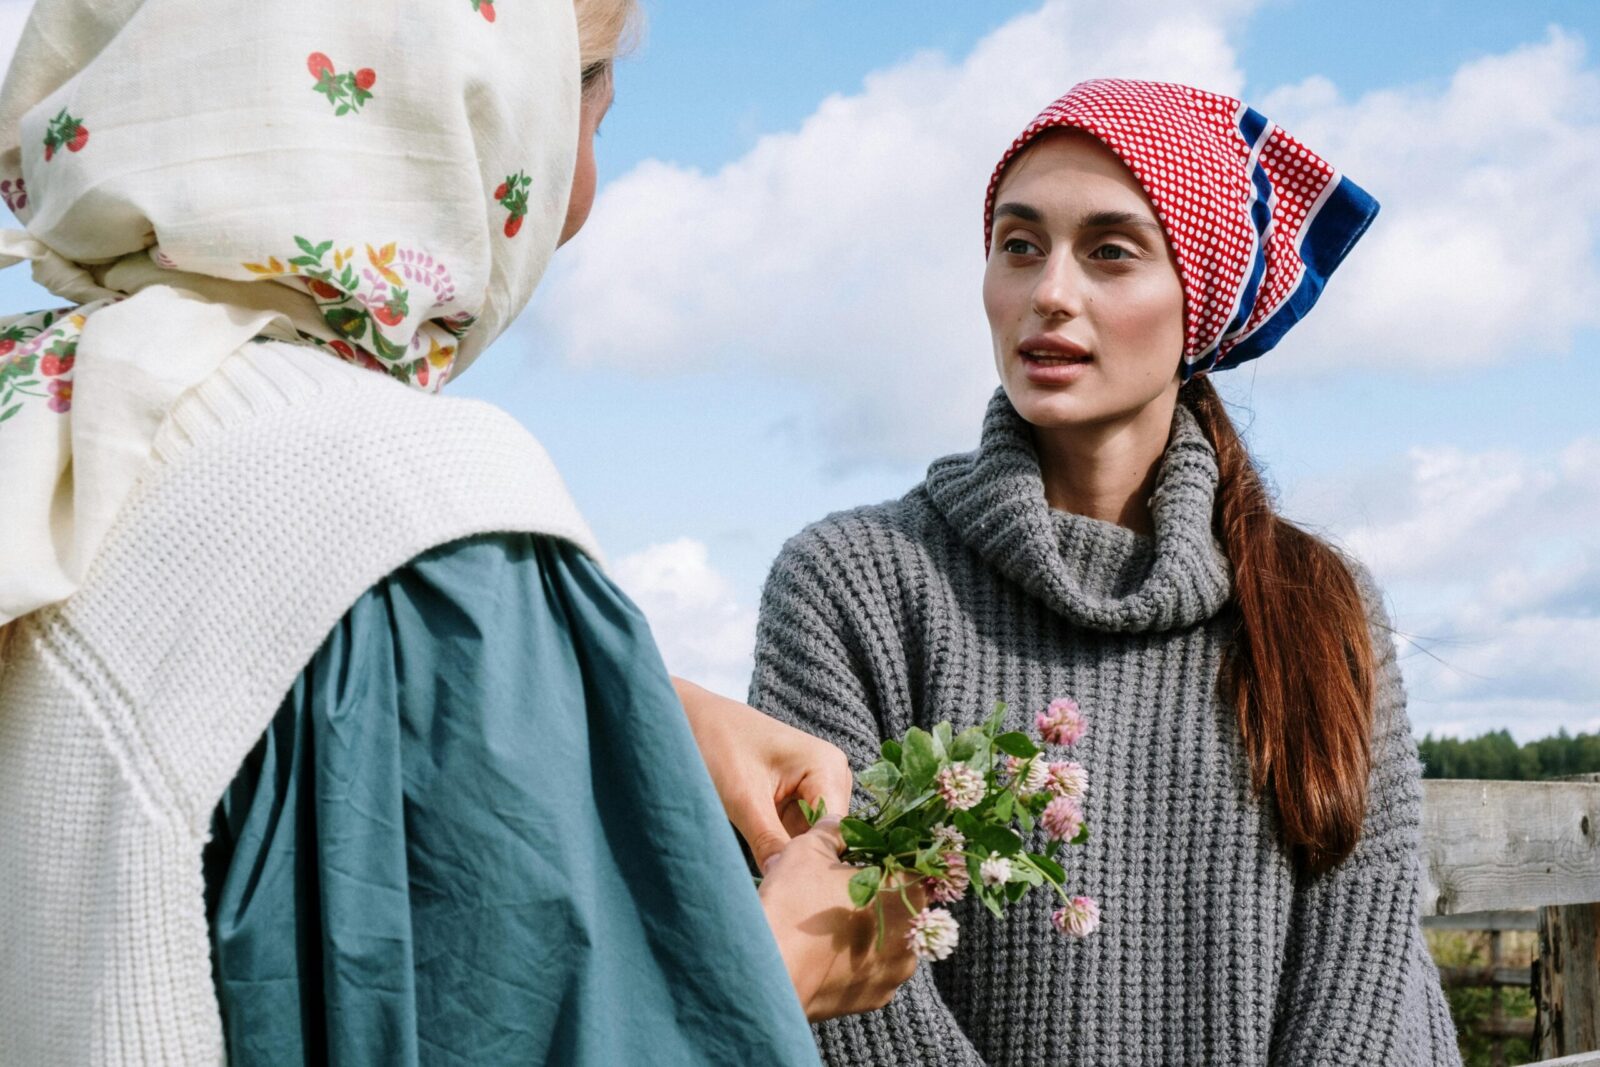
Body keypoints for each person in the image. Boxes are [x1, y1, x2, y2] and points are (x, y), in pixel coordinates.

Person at [0, 1, 917, 1064]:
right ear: (481, 117)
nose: (576, 203)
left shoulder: (45, 424)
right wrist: (766, 968)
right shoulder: (421, 508)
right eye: (590, 123)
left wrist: (624, 708)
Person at [749, 79, 1464, 1066]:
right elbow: (844, 966)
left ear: (1198, 295)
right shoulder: (850, 584)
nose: (1049, 289)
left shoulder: (1319, 604)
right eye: (1019, 243)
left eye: (1110, 251)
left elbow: (1363, 970)